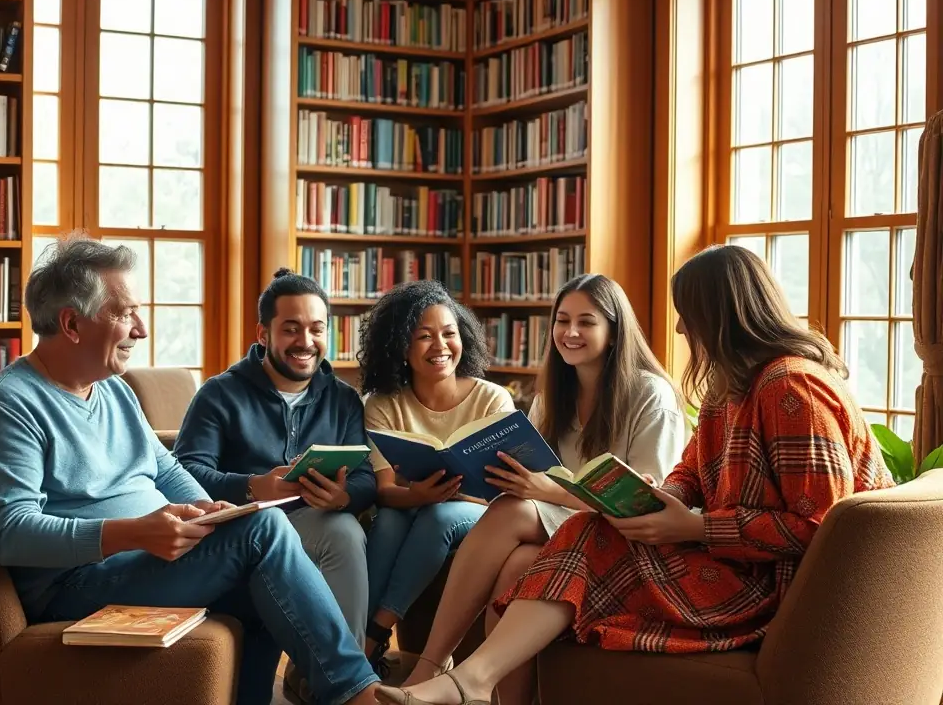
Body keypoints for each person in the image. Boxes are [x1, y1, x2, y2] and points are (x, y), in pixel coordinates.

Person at [375, 244, 895, 705]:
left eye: (686, 314)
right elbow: (688, 474)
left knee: (556, 534)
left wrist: (692, 528)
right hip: (722, 553)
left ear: (723, 315)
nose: (678, 328)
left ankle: (461, 679)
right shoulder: (729, 388)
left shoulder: (792, 389)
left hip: (762, 583)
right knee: (541, 553)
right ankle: (470, 681)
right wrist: (654, 501)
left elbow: (820, 528)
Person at [0, 234, 381, 705]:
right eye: (124, 313)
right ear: (72, 323)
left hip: (146, 562)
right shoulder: (8, 405)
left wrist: (206, 506)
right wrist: (133, 533)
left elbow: (165, 468)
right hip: (75, 582)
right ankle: (358, 693)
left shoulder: (113, 390)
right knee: (264, 527)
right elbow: (9, 532)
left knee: (264, 584)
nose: (140, 329)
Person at [401, 273, 687, 699]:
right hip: (562, 533)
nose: (570, 333)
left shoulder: (650, 394)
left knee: (512, 511)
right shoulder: (553, 394)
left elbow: (645, 500)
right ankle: (488, 694)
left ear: (614, 331)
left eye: (586, 322)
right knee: (519, 565)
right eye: (562, 320)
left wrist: (544, 490)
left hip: (625, 536)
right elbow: (532, 470)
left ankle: (430, 666)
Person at [175, 267, 377, 701]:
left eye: (316, 329)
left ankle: (342, 680)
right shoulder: (219, 393)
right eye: (291, 329)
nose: (306, 341)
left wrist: (344, 496)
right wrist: (251, 487)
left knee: (344, 529)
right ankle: (350, 687)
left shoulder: (342, 398)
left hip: (315, 525)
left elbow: (364, 477)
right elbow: (185, 471)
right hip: (240, 532)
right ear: (263, 334)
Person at [356, 281, 515, 677]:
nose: (440, 346)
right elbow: (385, 490)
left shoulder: (492, 399)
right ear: (400, 347)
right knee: (390, 522)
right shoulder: (381, 404)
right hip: (410, 507)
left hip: (482, 511)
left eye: (449, 333)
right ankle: (355, 639)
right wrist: (423, 495)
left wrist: (440, 499)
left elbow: (507, 492)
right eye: (423, 337)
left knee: (440, 518)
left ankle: (373, 637)